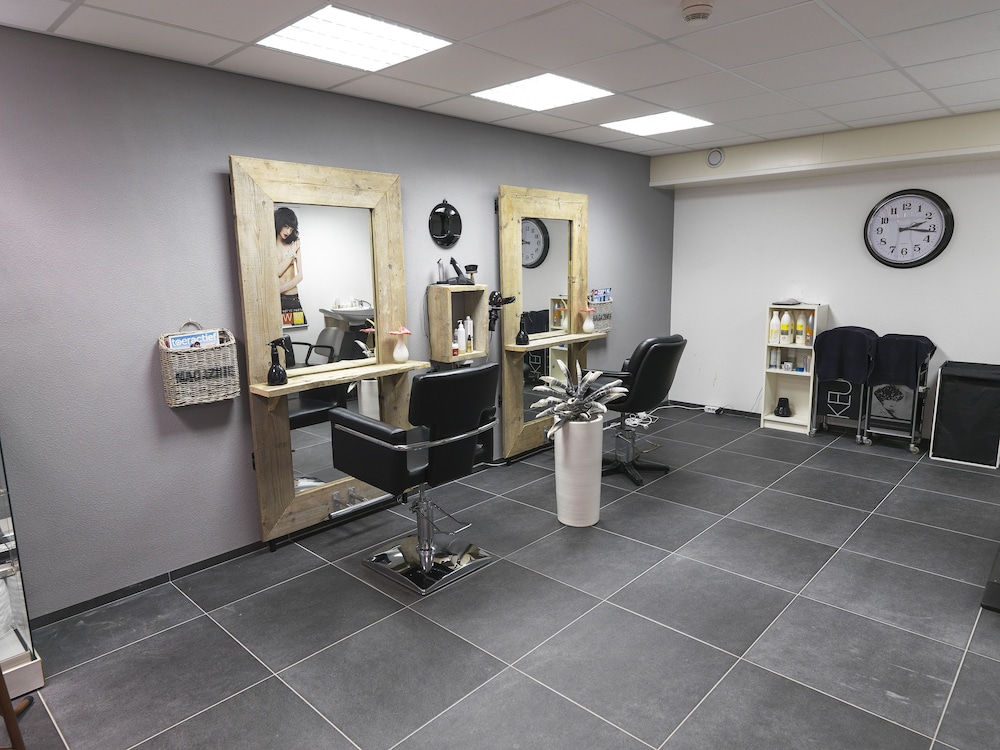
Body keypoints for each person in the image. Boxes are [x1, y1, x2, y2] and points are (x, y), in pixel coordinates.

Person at [275, 206, 307, 326]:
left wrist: (279, 289)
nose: (288, 232)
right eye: (286, 226)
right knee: (279, 331)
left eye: (291, 228)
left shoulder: (295, 242)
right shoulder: (270, 244)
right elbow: (277, 272)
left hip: (292, 298)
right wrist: (291, 253)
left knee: (299, 328)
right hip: (277, 300)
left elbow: (300, 276)